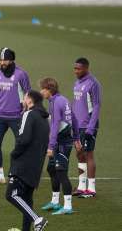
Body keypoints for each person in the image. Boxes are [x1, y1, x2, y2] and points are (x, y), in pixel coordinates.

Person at [0, 48, 31, 186]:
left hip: (17, 117)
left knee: (20, 146)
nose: (2, 62)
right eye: (1, 60)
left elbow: (28, 92)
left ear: (11, 60)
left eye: (5, 60)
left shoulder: (21, 74)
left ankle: (17, 175)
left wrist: (26, 110)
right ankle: (0, 176)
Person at [5, 90, 49, 231]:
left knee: (12, 195)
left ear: (30, 100)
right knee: (27, 201)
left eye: (24, 98)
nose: (23, 101)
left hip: (23, 164)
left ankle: (37, 219)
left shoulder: (28, 114)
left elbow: (23, 139)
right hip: (36, 166)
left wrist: (14, 155)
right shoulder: (45, 119)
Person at [39, 78, 80, 215]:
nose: (41, 91)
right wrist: (77, 138)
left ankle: (68, 206)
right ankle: (55, 202)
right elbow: (74, 119)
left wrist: (50, 146)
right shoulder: (61, 100)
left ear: (49, 90)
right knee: (52, 169)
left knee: (61, 171)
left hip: (62, 142)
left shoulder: (56, 103)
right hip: (62, 140)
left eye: (43, 89)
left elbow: (56, 125)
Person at [72, 58, 101, 198]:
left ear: (86, 68)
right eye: (75, 68)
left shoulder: (93, 83)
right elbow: (76, 104)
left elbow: (96, 105)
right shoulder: (77, 83)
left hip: (89, 125)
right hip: (77, 125)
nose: (76, 71)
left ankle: (91, 188)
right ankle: (81, 186)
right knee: (79, 154)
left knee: (88, 154)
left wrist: (90, 127)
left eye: (78, 69)